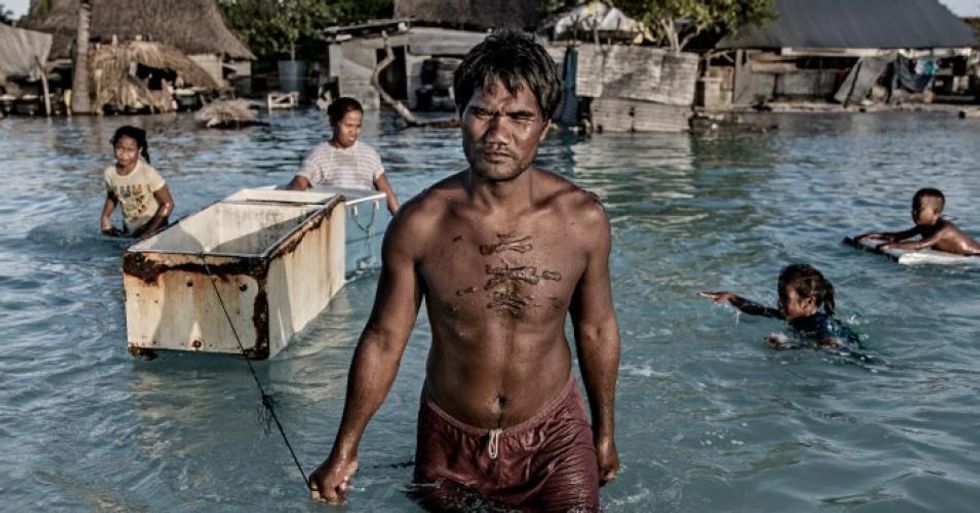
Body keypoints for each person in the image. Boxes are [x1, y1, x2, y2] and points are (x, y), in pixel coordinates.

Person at [309, 30, 621, 512]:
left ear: (545, 127)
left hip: (554, 439)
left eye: (519, 117)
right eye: (482, 113)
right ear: (460, 117)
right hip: (449, 442)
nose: (498, 135)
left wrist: (603, 433)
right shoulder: (421, 223)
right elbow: (384, 339)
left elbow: (597, 328)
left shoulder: (582, 220)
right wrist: (344, 448)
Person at [700, 264, 860, 350]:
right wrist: (731, 297)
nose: (779, 302)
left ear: (808, 301)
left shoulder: (822, 323)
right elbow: (759, 310)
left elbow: (830, 347)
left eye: (784, 298)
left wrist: (791, 344)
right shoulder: (795, 316)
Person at [286, 97, 399, 214]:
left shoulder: (370, 155)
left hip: (363, 219)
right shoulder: (319, 155)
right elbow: (298, 184)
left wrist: (399, 217)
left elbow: (386, 192)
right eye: (348, 126)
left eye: (358, 126)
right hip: (332, 220)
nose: (353, 131)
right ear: (333, 122)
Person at [853, 188, 980, 256]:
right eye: (912, 208)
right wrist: (873, 236)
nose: (913, 212)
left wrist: (891, 246)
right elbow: (897, 236)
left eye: (918, 209)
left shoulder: (944, 229)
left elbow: (920, 245)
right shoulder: (924, 226)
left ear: (936, 212)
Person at [100, 126, 174, 238]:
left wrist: (148, 233)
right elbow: (112, 195)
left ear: (139, 150)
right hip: (131, 230)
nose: (124, 154)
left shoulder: (147, 172)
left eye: (130, 150)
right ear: (113, 146)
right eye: (119, 148)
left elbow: (168, 204)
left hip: (155, 227)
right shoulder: (110, 173)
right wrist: (105, 217)